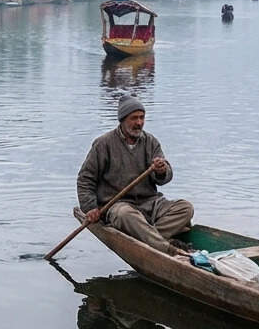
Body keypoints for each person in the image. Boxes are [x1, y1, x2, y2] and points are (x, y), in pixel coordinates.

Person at [77, 95, 194, 256]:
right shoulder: (103, 144)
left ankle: (148, 238)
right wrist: (90, 208)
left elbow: (165, 178)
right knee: (125, 215)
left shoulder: (151, 142)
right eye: (134, 118)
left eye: (142, 117)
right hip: (119, 206)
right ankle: (168, 248)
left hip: (150, 203)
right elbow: (85, 179)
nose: (139, 122)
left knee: (185, 208)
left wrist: (161, 171)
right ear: (123, 120)